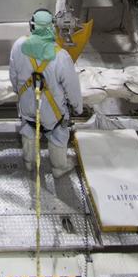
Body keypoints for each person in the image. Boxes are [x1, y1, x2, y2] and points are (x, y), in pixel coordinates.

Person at [9, 9, 83, 176]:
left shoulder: (19, 45)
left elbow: (13, 74)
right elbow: (72, 87)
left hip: (27, 104)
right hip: (52, 110)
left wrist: (18, 93)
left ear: (31, 26)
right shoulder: (61, 56)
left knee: (28, 128)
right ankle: (59, 167)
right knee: (58, 133)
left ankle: (29, 162)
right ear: (52, 28)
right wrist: (78, 108)